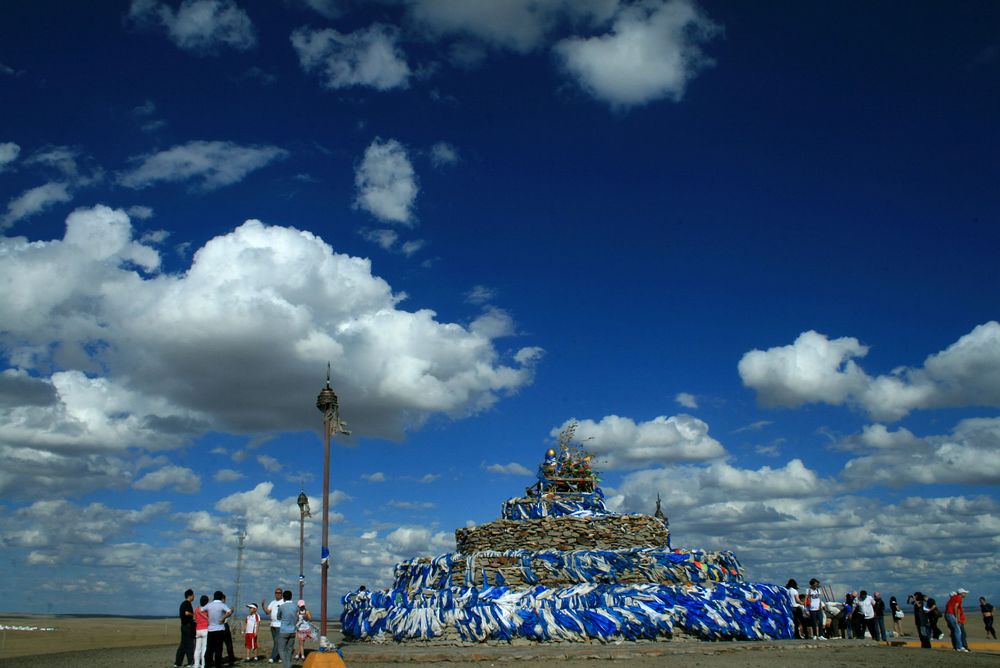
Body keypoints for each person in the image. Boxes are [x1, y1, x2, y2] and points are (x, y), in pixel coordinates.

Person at [204, 590, 233, 668]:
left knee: (210, 648)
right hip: (221, 627)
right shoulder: (222, 605)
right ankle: (221, 662)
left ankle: (208, 664)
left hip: (212, 629)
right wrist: (224, 618)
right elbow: (230, 612)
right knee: (220, 647)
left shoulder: (213, 605)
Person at [262, 587, 285, 664]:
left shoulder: (283, 602)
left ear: (282, 594)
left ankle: (273, 657)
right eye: (276, 593)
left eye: (279, 593)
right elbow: (267, 612)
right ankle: (280, 657)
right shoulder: (273, 602)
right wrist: (263, 605)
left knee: (278, 641)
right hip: (273, 625)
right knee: (277, 642)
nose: (277, 594)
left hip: (280, 625)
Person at [175, 588, 196, 668]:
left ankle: (177, 663)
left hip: (184, 626)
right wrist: (193, 615)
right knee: (190, 644)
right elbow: (186, 613)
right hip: (187, 627)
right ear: (190, 596)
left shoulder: (184, 603)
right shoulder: (187, 603)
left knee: (183, 645)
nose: (194, 597)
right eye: (193, 595)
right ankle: (191, 663)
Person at [275, 590, 296, 668]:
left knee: (281, 649)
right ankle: (289, 664)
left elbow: (278, 617)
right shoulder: (295, 606)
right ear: (291, 597)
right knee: (289, 650)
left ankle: (287, 666)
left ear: (283, 598)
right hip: (293, 631)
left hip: (284, 631)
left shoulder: (282, 606)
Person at [194, 595, 210, 668]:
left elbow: (195, 619)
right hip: (205, 629)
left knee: (197, 649)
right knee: (204, 648)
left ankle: (196, 665)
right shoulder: (207, 610)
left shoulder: (196, 609)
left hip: (198, 629)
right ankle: (203, 665)